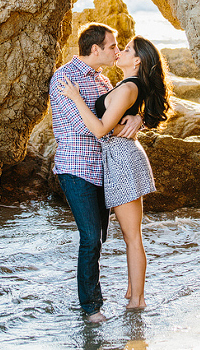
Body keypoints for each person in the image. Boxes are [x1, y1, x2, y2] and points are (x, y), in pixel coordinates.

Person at [58, 35, 169, 312]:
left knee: (132, 237)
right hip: (117, 158)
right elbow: (123, 115)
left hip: (121, 160)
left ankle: (137, 300)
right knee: (129, 235)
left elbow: (99, 129)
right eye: (117, 47)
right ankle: (134, 290)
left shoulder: (126, 87)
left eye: (126, 49)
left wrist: (75, 98)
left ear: (138, 60)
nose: (120, 52)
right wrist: (138, 117)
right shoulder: (120, 85)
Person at [48, 22, 143, 324]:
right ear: (95, 49)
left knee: (99, 238)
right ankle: (92, 308)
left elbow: (118, 108)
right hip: (75, 168)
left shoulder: (103, 82)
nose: (117, 51)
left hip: (103, 170)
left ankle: (94, 297)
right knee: (90, 237)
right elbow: (87, 128)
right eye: (113, 46)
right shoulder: (65, 78)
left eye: (119, 47)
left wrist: (136, 117)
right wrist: (118, 125)